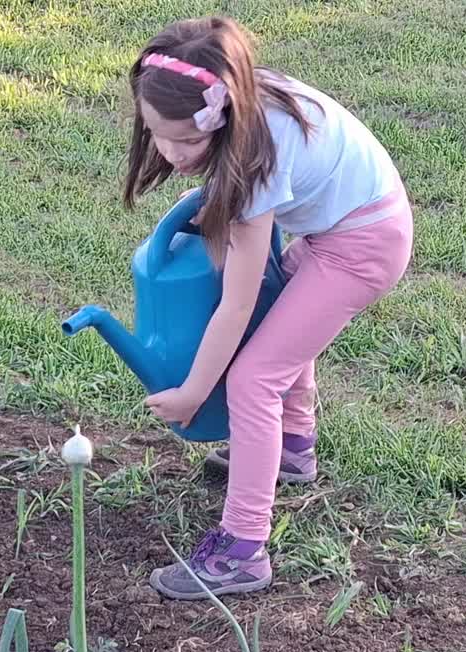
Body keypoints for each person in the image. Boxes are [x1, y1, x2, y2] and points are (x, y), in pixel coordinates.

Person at [122, 16, 414, 600]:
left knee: (253, 376)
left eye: (186, 139)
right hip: (351, 225)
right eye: (158, 133)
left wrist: (195, 393)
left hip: (362, 245)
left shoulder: (255, 160)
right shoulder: (244, 97)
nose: (170, 151)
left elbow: (236, 304)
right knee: (281, 324)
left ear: (221, 114)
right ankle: (294, 450)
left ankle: (242, 551)